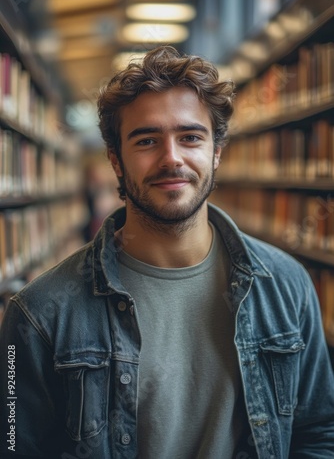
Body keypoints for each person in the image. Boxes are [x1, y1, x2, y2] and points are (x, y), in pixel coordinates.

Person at [0, 46, 333, 459]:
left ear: (217, 152)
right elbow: (14, 445)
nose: (171, 158)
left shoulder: (286, 285)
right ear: (116, 161)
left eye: (190, 137)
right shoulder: (40, 313)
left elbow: (318, 432)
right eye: (147, 140)